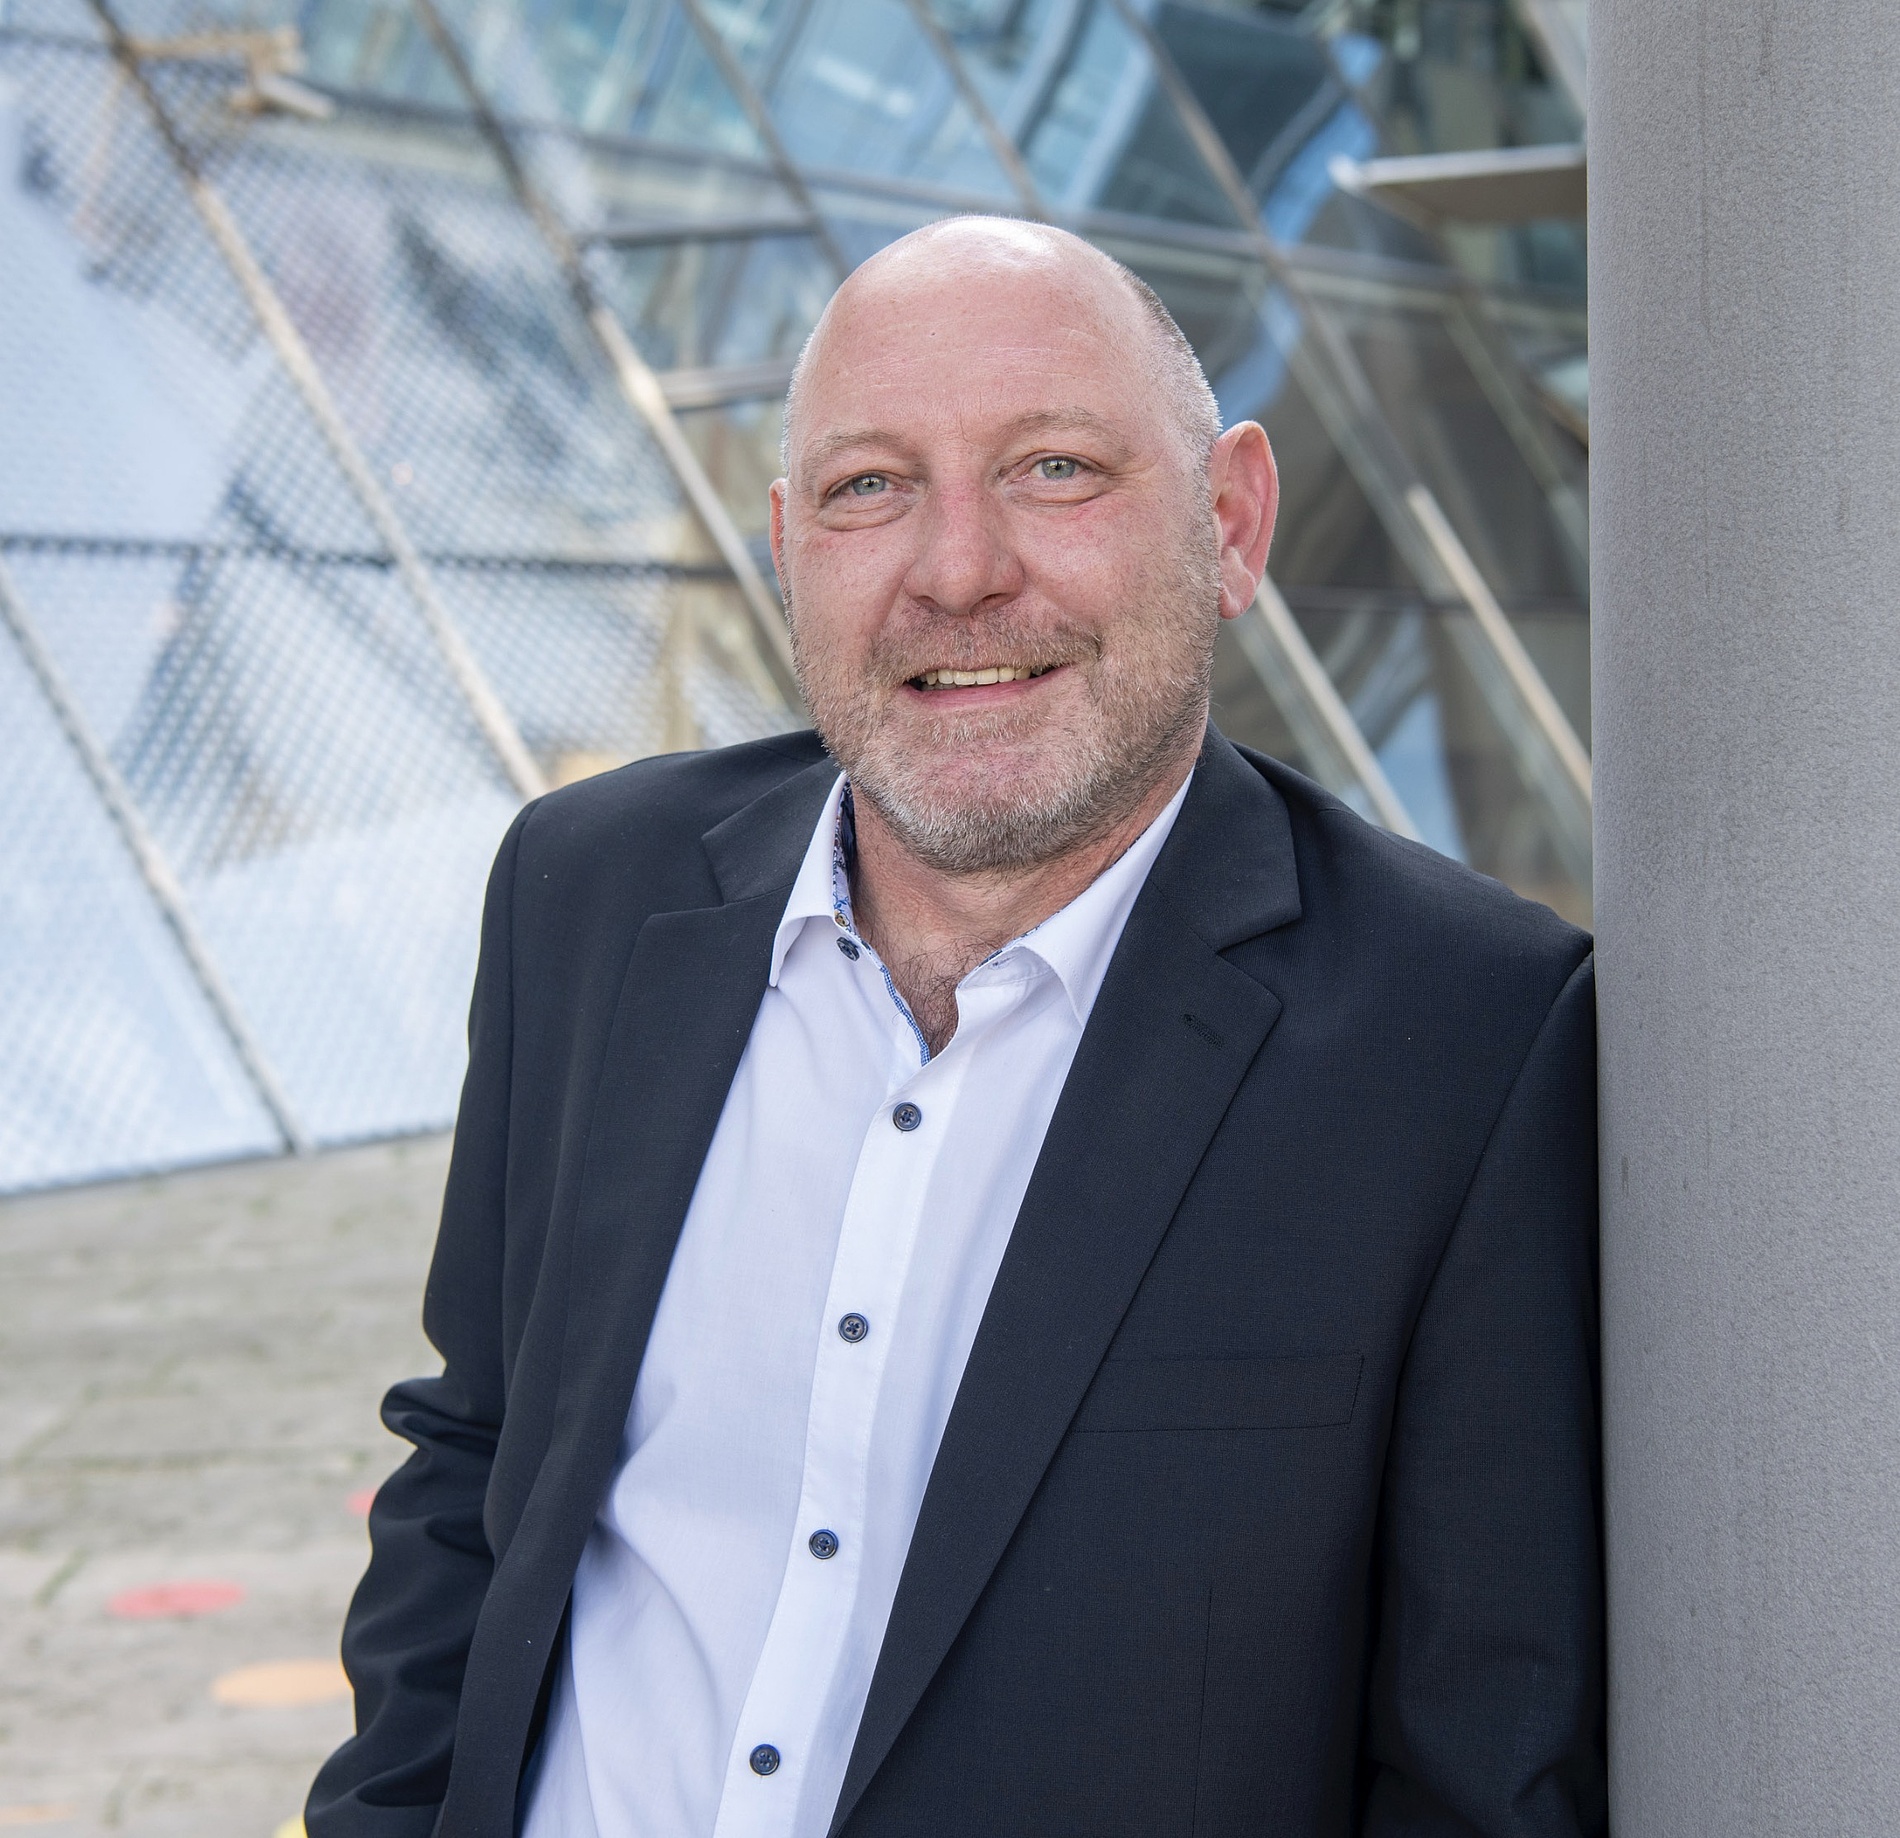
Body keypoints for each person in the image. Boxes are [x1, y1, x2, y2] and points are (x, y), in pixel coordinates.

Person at [308, 216, 1603, 1838]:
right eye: (870, 487)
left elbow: (1482, 1759)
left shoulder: (1468, 1041)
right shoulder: (588, 895)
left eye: (1055, 469)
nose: (960, 567)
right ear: (789, 544)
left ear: (1231, 520)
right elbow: (476, 1459)